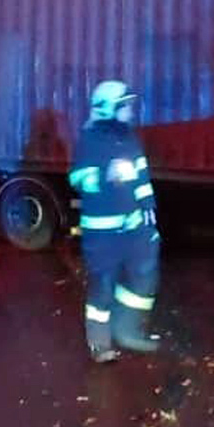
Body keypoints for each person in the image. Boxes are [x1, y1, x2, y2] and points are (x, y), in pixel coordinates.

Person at [68, 80, 161, 363]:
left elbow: (141, 176)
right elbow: (76, 178)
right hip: (102, 232)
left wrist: (148, 207)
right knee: (103, 286)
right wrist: (101, 177)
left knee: (145, 274)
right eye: (124, 106)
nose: (130, 111)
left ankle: (127, 329)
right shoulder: (90, 140)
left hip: (133, 227)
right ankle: (99, 343)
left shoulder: (129, 139)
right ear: (107, 109)